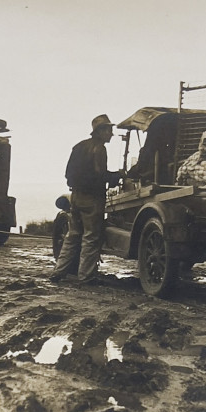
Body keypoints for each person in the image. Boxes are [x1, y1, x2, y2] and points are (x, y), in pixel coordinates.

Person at [50, 114, 122, 284]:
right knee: (91, 237)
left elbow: (68, 174)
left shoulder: (78, 147)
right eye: (109, 130)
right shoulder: (99, 148)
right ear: (101, 131)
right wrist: (117, 176)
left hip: (76, 197)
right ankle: (86, 276)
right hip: (93, 199)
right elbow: (100, 175)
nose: (111, 134)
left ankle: (58, 272)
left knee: (72, 235)